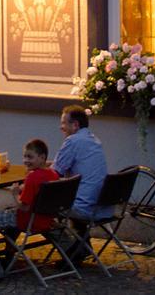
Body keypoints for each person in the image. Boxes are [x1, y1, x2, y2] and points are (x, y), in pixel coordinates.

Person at [0, 138, 61, 283]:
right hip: (46, 220)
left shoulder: (32, 177)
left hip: (27, 220)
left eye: (30, 157)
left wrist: (15, 194)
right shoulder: (53, 174)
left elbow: (24, 206)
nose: (26, 160)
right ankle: (9, 254)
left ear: (42, 158)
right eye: (25, 156)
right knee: (8, 211)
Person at [53, 104, 108, 256]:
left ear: (75, 125)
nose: (61, 127)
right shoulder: (93, 140)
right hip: (102, 205)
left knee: (44, 204)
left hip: (83, 206)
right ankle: (82, 246)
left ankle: (70, 249)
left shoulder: (73, 141)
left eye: (64, 123)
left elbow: (55, 173)